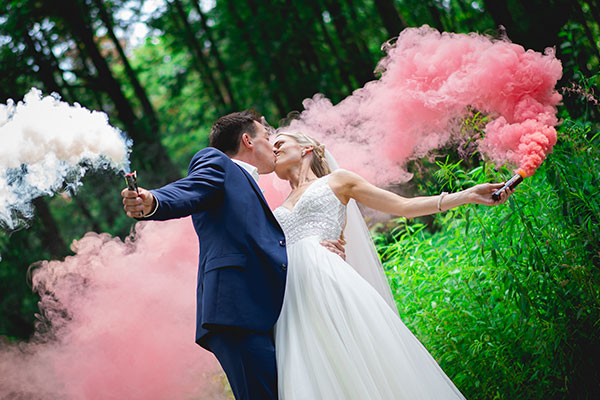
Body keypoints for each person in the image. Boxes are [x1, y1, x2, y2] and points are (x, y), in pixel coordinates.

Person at [271, 131, 514, 399]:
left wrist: (467, 194)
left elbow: (404, 206)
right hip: (293, 300)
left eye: (279, 143)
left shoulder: (338, 180)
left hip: (330, 283)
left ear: (305, 148)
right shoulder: (277, 207)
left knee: (360, 364)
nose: (274, 150)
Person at [120, 112, 344, 400]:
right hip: (236, 311)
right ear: (248, 140)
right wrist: (153, 201)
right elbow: (191, 189)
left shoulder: (247, 183)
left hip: (259, 311)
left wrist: (316, 245)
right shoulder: (217, 163)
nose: (272, 144)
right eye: (266, 136)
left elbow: (264, 244)